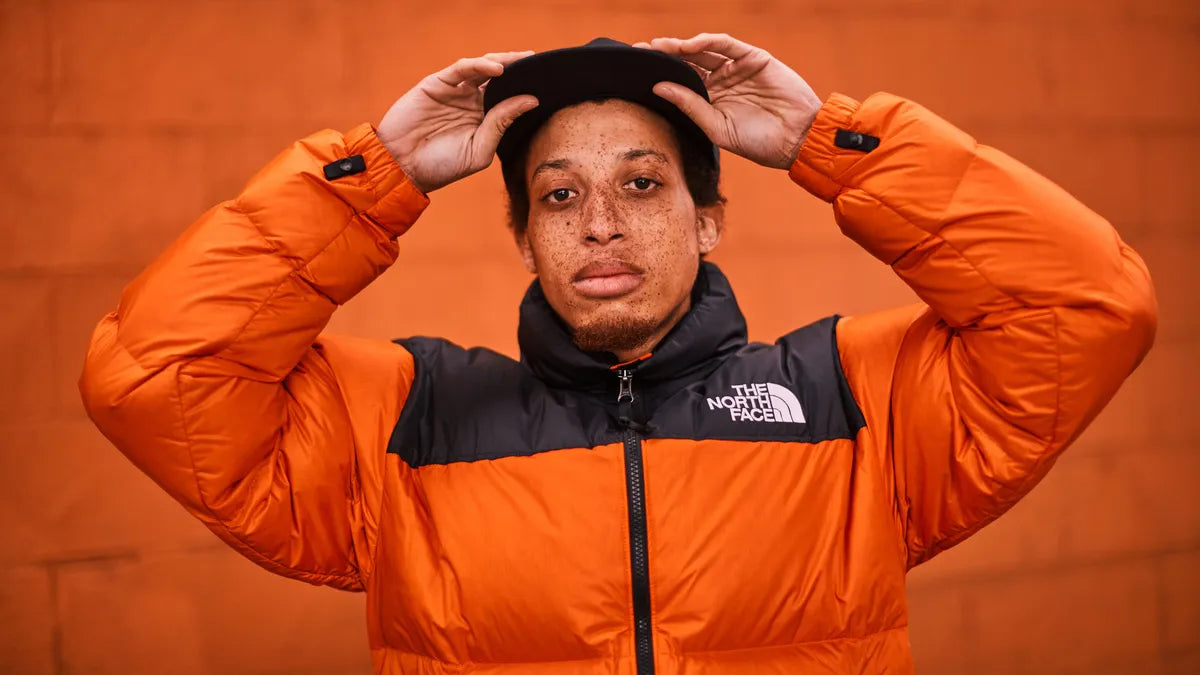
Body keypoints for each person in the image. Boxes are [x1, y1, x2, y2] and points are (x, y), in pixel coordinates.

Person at [79, 34, 1156, 674]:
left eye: (643, 184)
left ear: (707, 220)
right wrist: (373, 176)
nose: (600, 223)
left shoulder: (851, 401)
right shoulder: (405, 422)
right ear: (525, 238)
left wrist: (835, 144)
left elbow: (1086, 305)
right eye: (559, 196)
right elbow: (155, 375)